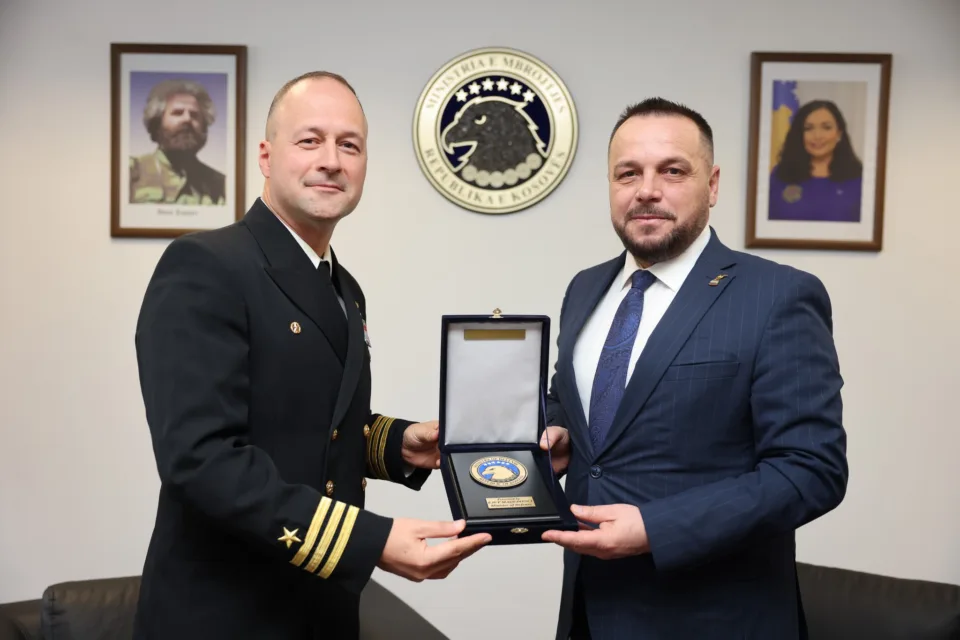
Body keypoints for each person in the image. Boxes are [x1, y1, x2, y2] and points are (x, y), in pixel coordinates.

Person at [133, 71, 491, 639]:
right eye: (309, 140)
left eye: (349, 145)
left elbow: (310, 424)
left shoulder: (343, 288)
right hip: (226, 613)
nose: (331, 161)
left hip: (320, 610)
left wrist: (398, 444)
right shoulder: (207, 265)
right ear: (266, 156)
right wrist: (369, 541)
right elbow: (201, 460)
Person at [538, 97, 848, 639]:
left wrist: (656, 527)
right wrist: (556, 430)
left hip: (715, 619)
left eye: (673, 171)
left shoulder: (777, 295)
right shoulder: (584, 289)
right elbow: (575, 404)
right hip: (589, 610)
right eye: (628, 173)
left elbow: (811, 469)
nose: (646, 190)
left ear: (713, 184)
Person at [130, 78, 226, 205]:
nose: (187, 119)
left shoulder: (220, 185)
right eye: (177, 113)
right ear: (157, 124)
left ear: (204, 127)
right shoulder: (132, 171)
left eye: (194, 115)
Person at [768, 99, 863, 222]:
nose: (817, 136)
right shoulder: (780, 175)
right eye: (808, 128)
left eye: (826, 127)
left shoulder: (859, 178)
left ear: (839, 134)